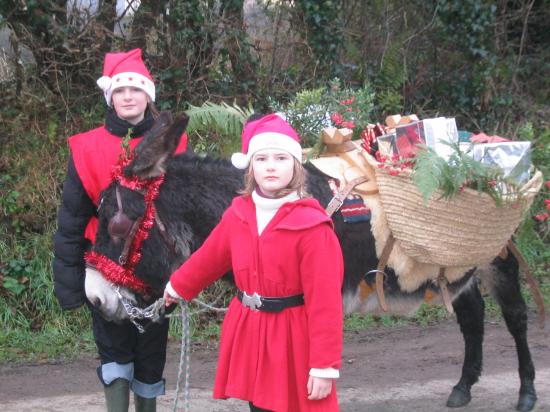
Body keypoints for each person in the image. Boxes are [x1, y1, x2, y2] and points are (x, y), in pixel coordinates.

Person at [164, 113, 344, 412]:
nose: (270, 166)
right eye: (261, 159)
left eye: (280, 158)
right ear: (249, 167)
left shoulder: (313, 226)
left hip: (292, 337)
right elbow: (210, 257)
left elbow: (325, 302)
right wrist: (178, 286)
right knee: (258, 406)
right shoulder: (239, 213)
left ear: (296, 166)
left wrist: (324, 366)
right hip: (251, 328)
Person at [53, 48, 190, 412]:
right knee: (114, 353)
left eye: (135, 89)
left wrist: (185, 271)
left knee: (150, 353)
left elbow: (180, 214)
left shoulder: (173, 144)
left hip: (154, 269)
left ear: (149, 94)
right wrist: (69, 284)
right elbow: (71, 220)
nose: (128, 96)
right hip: (104, 266)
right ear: (109, 96)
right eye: (120, 90)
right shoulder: (86, 148)